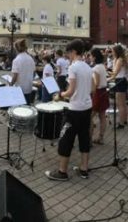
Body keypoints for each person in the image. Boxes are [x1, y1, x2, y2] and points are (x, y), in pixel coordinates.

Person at [46, 39, 94, 181]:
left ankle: (62, 172)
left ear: (73, 51)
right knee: (84, 138)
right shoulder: (87, 66)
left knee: (66, 139)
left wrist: (60, 95)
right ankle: (84, 169)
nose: (68, 55)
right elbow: (91, 88)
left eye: (68, 52)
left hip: (75, 110)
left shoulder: (73, 67)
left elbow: (71, 90)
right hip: (87, 107)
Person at [89, 48, 109, 145]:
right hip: (104, 92)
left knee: (90, 117)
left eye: (91, 55)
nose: (90, 57)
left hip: (98, 93)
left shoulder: (96, 68)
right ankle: (100, 138)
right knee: (102, 116)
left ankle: (89, 139)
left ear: (94, 57)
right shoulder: (102, 66)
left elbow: (96, 83)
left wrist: (89, 89)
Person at [107, 45, 127, 129]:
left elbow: (115, 73)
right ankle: (124, 120)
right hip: (121, 80)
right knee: (123, 103)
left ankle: (121, 123)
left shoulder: (120, 60)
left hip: (120, 81)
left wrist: (107, 78)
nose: (112, 52)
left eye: (113, 51)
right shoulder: (119, 59)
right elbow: (114, 73)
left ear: (116, 51)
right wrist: (109, 72)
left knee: (120, 104)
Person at [10, 39, 36, 105]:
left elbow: (15, 76)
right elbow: (34, 72)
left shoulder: (16, 60)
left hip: (19, 88)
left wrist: (10, 84)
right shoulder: (30, 58)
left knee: (19, 109)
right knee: (27, 108)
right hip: (29, 87)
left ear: (16, 49)